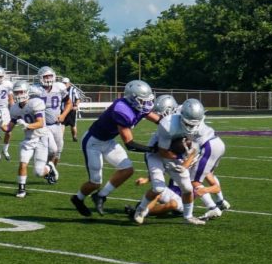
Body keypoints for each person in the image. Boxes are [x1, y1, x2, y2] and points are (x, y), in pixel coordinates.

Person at [71, 79, 160, 217]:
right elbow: (130, 144)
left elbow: (158, 119)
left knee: (127, 169)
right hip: (93, 142)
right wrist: (153, 149)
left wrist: (172, 126)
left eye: (147, 100)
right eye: (142, 100)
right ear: (131, 98)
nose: (146, 104)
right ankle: (78, 199)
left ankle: (100, 196)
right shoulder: (121, 110)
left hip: (108, 141)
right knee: (95, 182)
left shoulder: (138, 106)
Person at [132, 99, 207, 225]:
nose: (191, 127)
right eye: (188, 124)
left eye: (194, 124)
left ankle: (188, 217)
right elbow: (163, 152)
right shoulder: (168, 125)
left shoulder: (201, 127)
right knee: (158, 188)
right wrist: (180, 158)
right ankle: (140, 209)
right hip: (156, 153)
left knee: (187, 188)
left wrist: (185, 165)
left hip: (174, 154)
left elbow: (194, 149)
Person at [2, 81, 57, 198]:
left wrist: (27, 125)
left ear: (27, 92)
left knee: (38, 172)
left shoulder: (35, 103)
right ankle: (21, 189)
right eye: (16, 92)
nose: (18, 95)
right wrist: (0, 125)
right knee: (23, 163)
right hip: (28, 139)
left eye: (21, 92)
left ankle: (50, 167)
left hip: (41, 137)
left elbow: (40, 123)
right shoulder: (15, 109)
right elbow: (8, 128)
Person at [185, 102, 230, 220]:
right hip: (218, 141)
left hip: (208, 146)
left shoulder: (183, 117)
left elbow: (193, 147)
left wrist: (186, 164)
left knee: (194, 181)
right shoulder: (194, 114)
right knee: (208, 174)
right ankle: (220, 201)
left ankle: (212, 208)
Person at [34, 66, 73, 183]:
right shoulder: (35, 90)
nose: (48, 78)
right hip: (43, 126)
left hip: (56, 125)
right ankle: (47, 169)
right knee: (52, 150)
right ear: (40, 77)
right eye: (45, 76)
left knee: (58, 152)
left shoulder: (59, 87)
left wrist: (63, 115)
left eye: (50, 76)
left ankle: (51, 170)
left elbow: (69, 103)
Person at [61, 78, 81, 142]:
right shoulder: (60, 90)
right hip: (63, 110)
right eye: (63, 83)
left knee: (73, 125)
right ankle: (61, 138)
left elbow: (78, 99)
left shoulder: (73, 90)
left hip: (71, 110)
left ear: (69, 83)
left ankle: (74, 136)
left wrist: (76, 106)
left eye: (65, 83)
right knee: (62, 124)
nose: (64, 84)